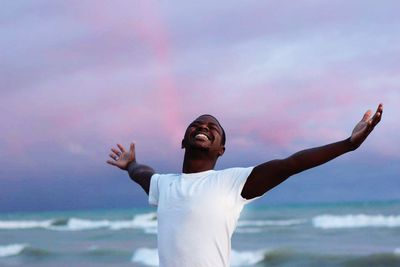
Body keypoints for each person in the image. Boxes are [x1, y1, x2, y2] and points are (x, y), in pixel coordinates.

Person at [107, 103, 383, 267]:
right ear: (183, 141)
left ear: (221, 150)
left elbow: (291, 164)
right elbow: (142, 172)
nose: (204, 126)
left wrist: (348, 145)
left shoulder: (232, 182)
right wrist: (131, 164)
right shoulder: (163, 185)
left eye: (213, 127)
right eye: (197, 124)